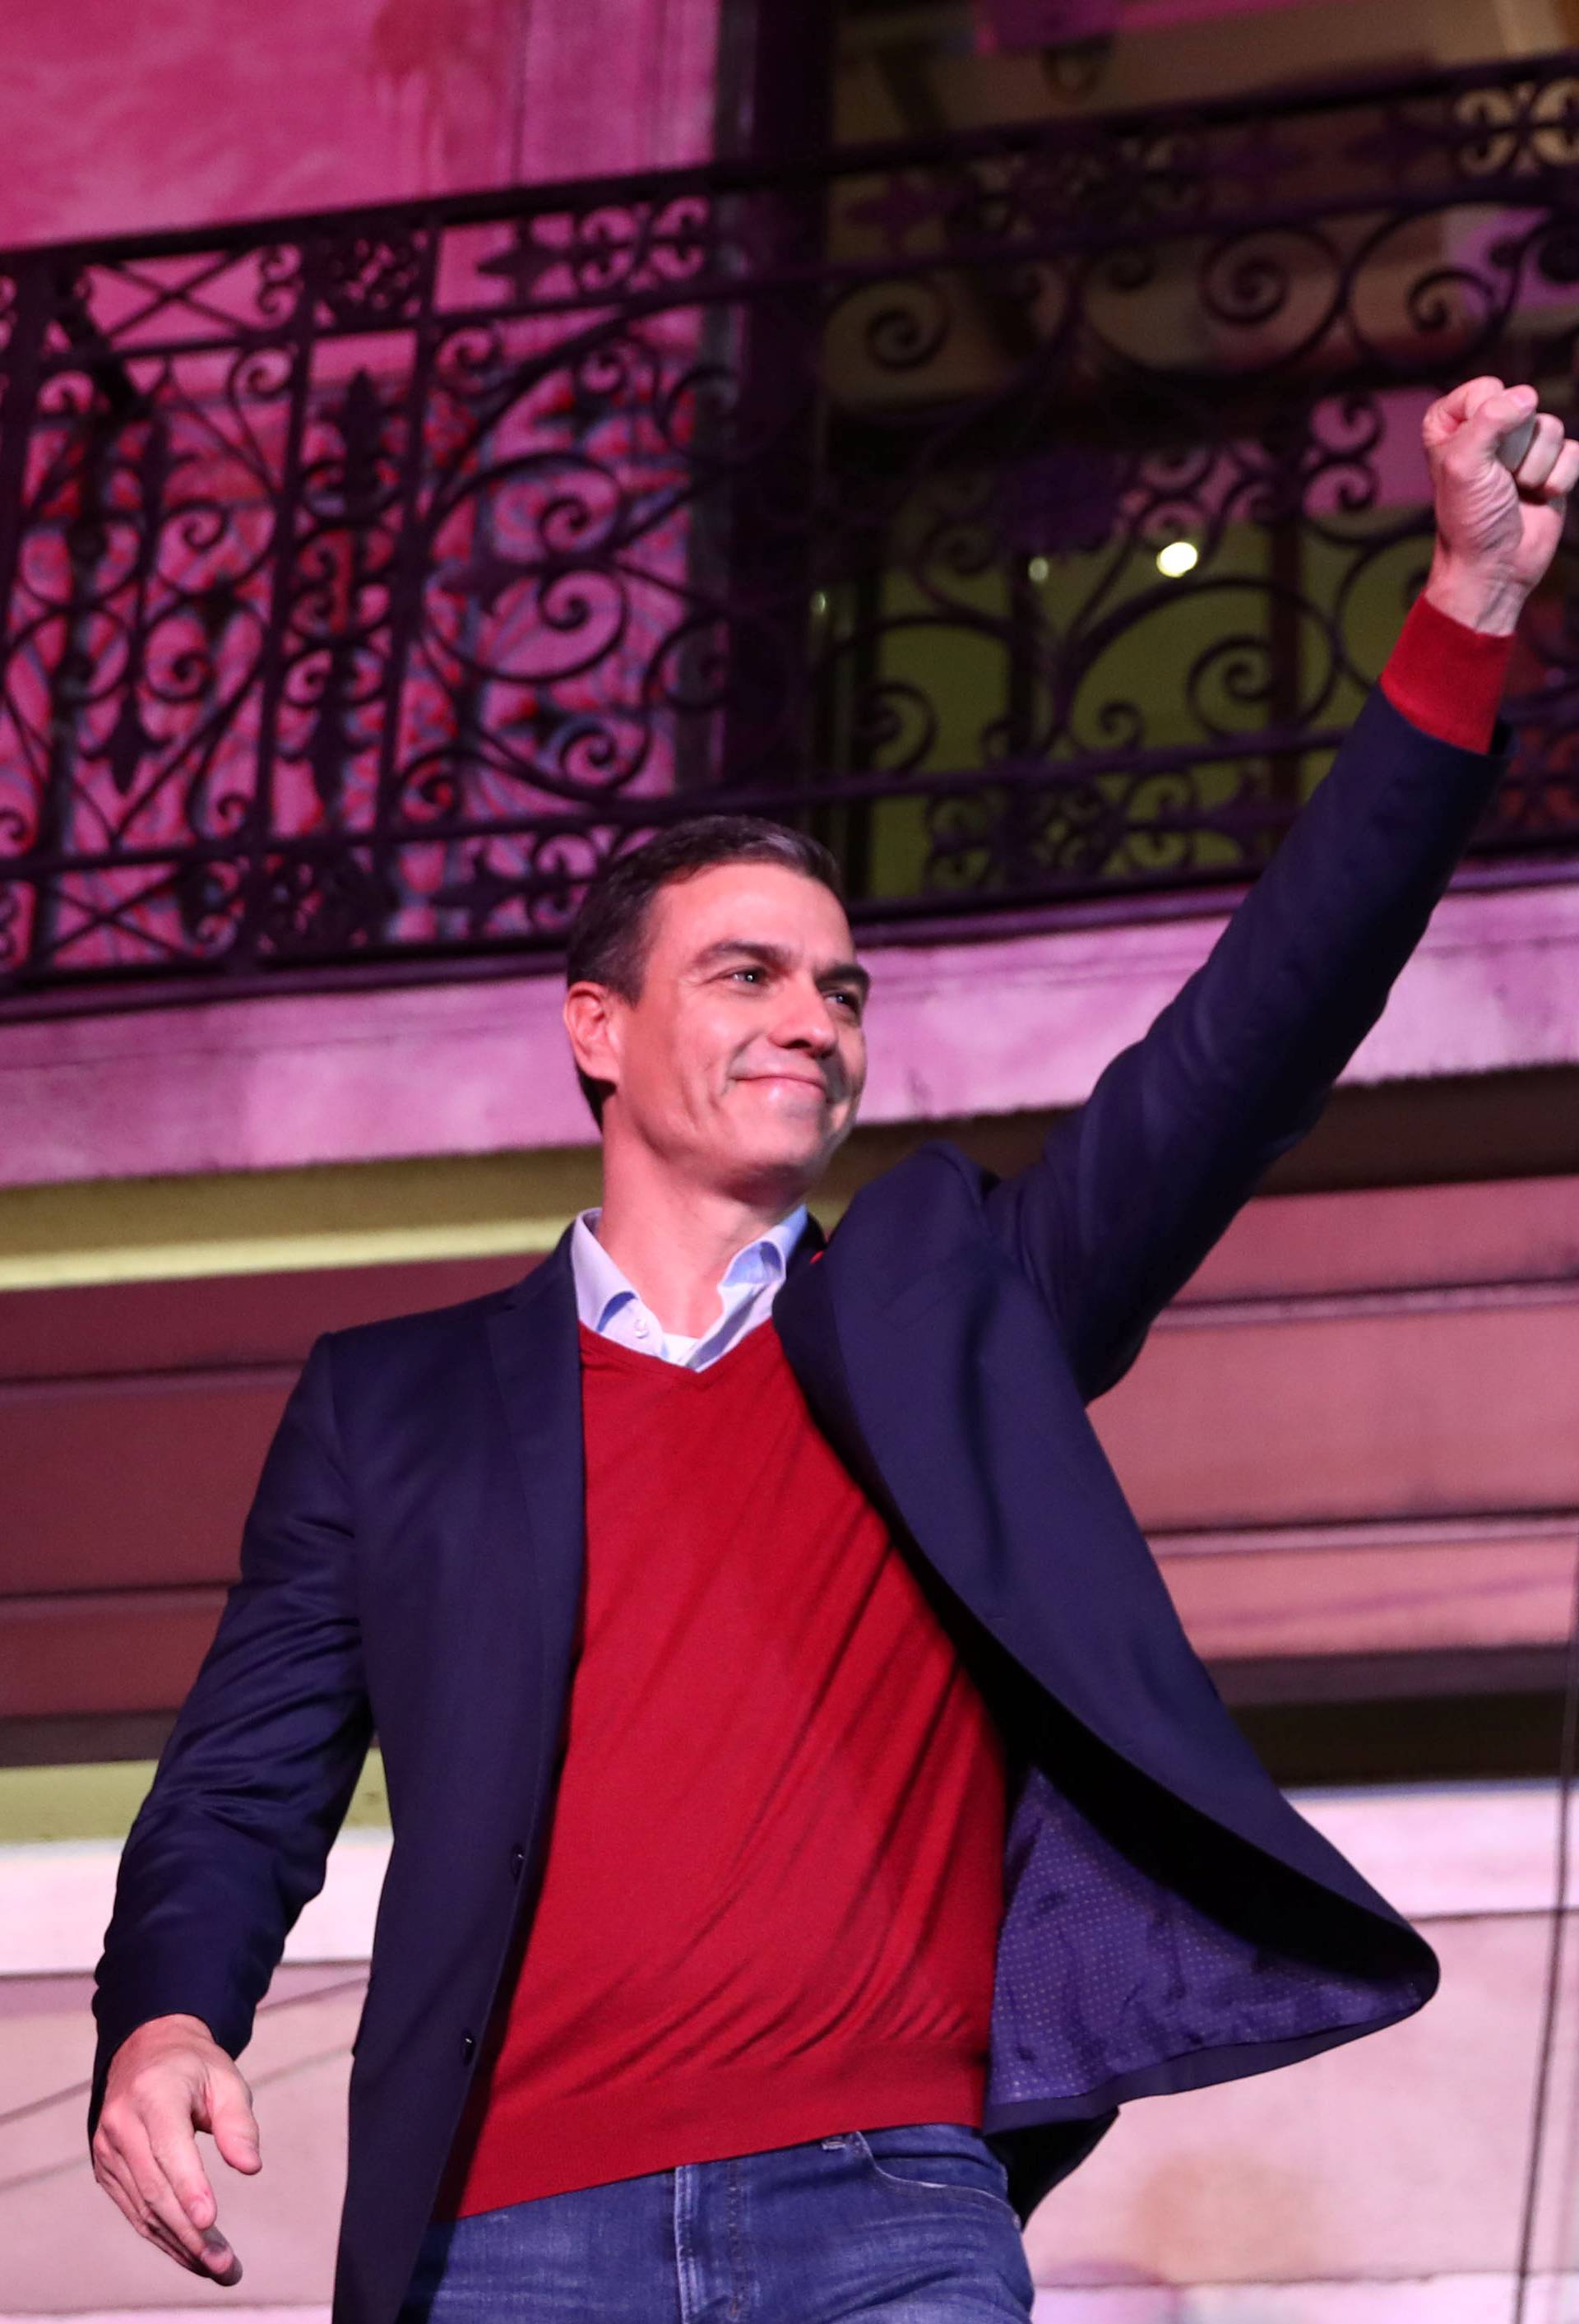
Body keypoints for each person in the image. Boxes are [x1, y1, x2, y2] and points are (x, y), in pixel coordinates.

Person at [88, 378, 1576, 2324]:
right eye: (747, 973)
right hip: (505, 2237)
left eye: (841, 987)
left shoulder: (956, 1308)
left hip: (882, 2216)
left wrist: (1465, 617)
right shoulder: (398, 1401)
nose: (814, 1018)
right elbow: (245, 1781)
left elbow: (1254, 1036)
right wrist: (165, 2013)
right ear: (596, 1030)